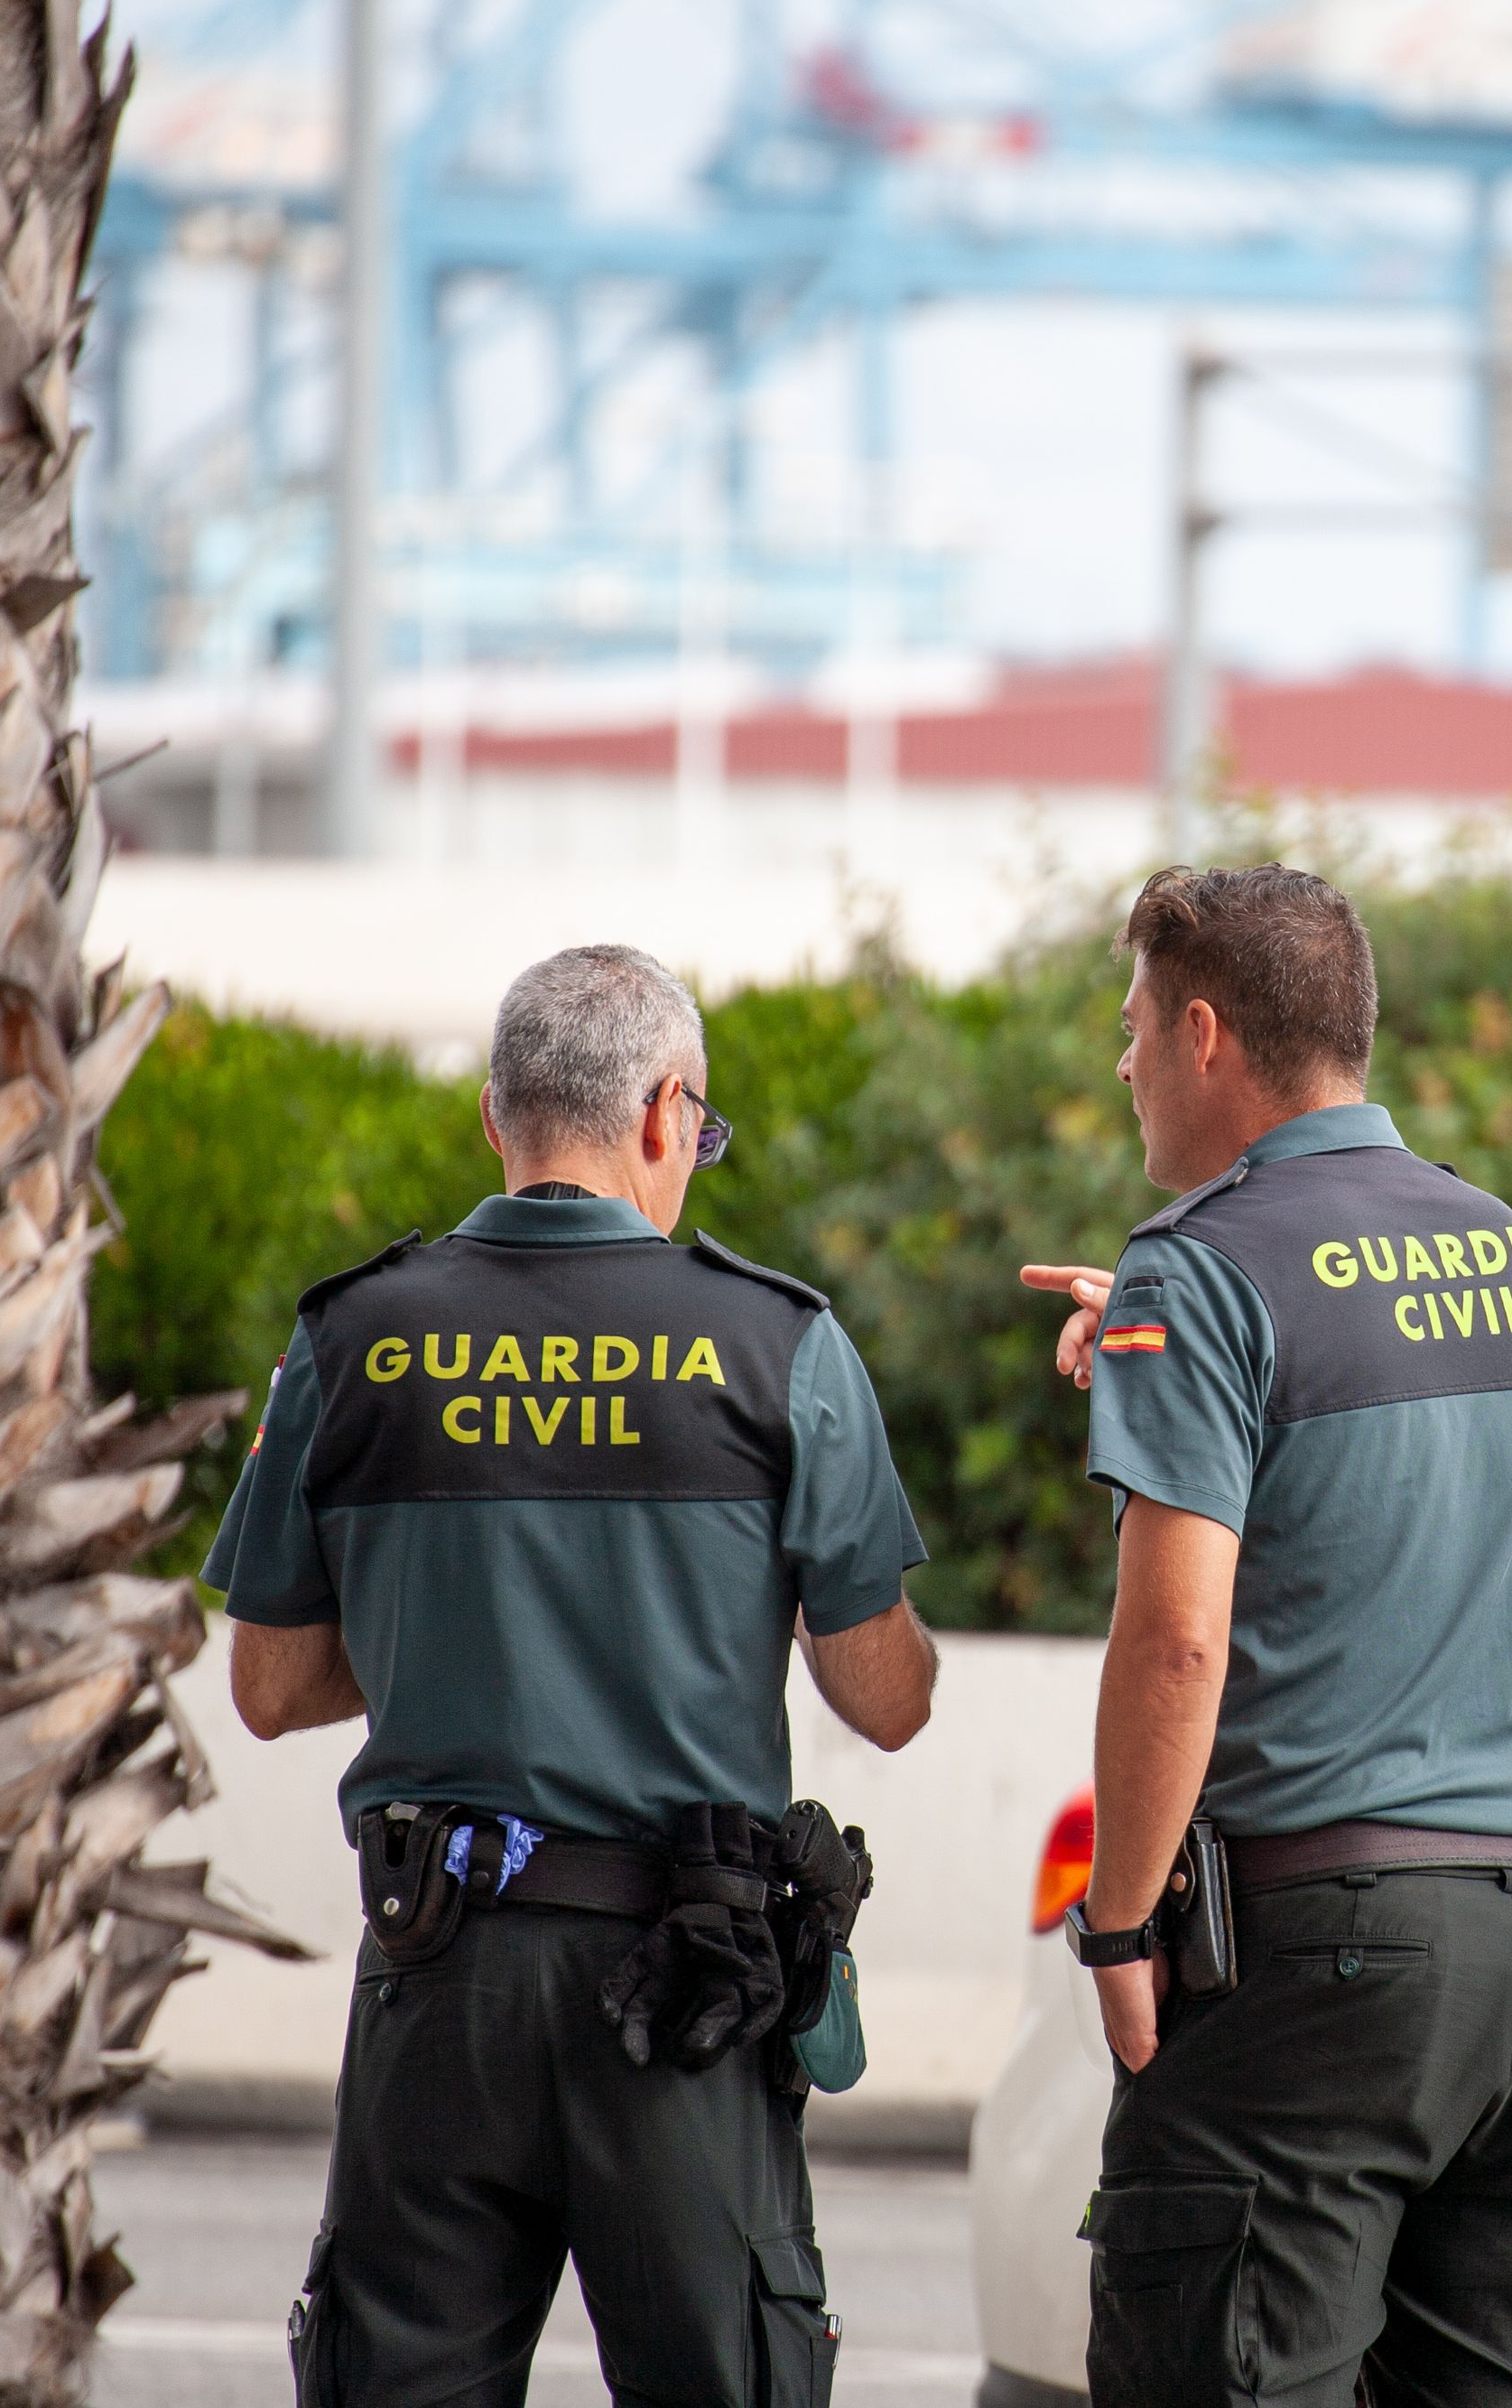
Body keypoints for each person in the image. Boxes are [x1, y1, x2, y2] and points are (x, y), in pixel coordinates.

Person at [209, 944, 939, 2407]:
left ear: (496, 1119)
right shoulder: (777, 1343)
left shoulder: (351, 1336)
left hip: (438, 1976)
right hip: (684, 1991)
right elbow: (889, 1699)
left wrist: (454, 1624)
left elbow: (273, 1687)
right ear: (668, 1114)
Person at [1020, 864, 1512, 2408]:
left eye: (1135, 1027)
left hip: (1322, 1969)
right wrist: (1158, 1354)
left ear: (1207, 1034)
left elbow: (1174, 1648)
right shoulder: (1510, 1252)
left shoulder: (1199, 1269)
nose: (1123, 1063)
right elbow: (1384, 1502)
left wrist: (1119, 1921)